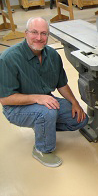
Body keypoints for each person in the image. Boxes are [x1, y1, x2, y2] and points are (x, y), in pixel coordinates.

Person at [0, 17, 88, 168]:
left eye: (44, 33)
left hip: (44, 102)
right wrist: (37, 98)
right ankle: (42, 149)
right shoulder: (8, 59)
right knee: (47, 113)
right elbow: (6, 99)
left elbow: (62, 84)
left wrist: (75, 103)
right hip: (16, 109)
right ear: (26, 33)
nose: (39, 38)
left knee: (80, 119)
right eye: (34, 32)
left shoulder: (53, 55)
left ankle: (43, 127)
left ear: (48, 35)